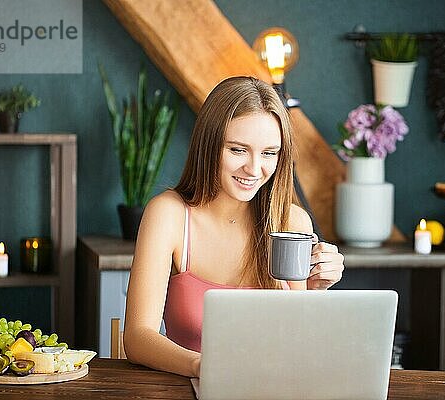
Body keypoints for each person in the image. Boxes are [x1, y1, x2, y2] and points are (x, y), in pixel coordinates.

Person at [123, 76, 345, 377]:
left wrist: (316, 291)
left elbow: (301, 344)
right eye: (238, 150)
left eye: (269, 153)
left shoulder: (292, 222)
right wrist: (205, 367)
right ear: (209, 144)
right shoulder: (169, 214)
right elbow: (137, 338)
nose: (254, 169)